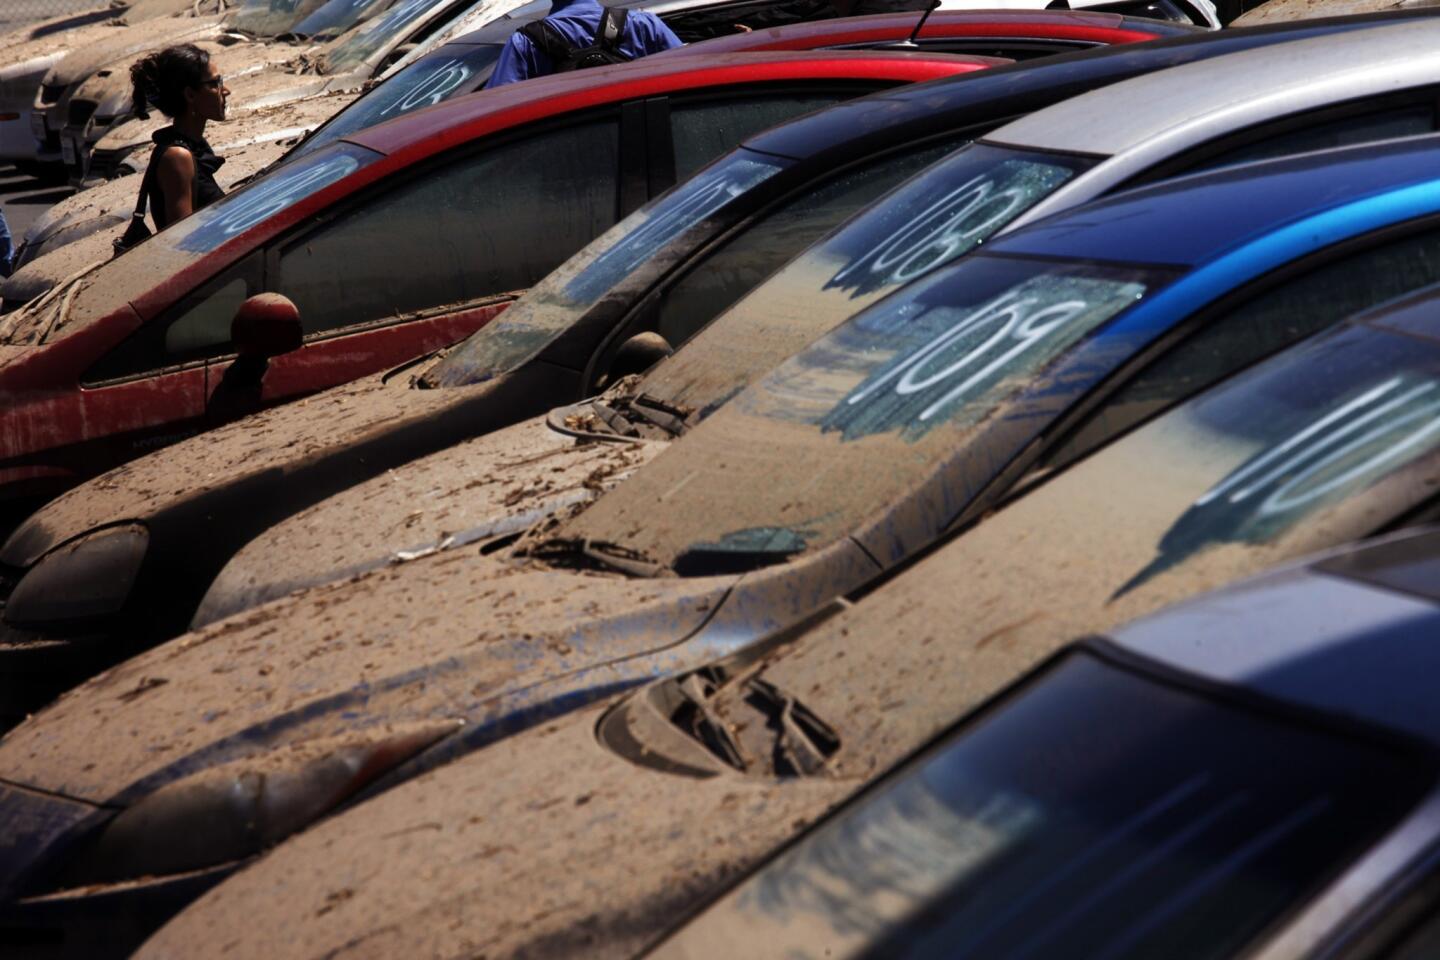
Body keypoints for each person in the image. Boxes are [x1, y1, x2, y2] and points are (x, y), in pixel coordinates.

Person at [128, 44, 230, 229]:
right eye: (215, 83)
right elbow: (184, 239)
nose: (225, 90)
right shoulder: (177, 158)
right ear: (190, 95)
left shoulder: (191, 148)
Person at [486, 0, 682, 90]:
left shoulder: (525, 43)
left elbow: (493, 107)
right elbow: (688, 76)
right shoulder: (643, 25)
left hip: (568, 159)